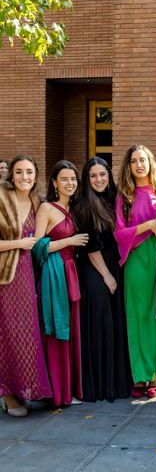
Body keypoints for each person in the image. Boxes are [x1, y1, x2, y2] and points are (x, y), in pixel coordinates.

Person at [74, 158, 132, 402]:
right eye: (93, 176)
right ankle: (98, 386)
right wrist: (106, 276)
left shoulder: (114, 198)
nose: (99, 179)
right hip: (94, 267)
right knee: (101, 323)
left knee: (116, 323)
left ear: (109, 175)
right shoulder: (83, 204)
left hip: (114, 263)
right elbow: (90, 245)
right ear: (87, 180)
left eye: (103, 174)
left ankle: (117, 385)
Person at [33, 160, 89, 407]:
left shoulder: (76, 208)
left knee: (72, 328)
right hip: (54, 273)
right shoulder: (47, 208)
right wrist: (69, 241)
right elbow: (37, 247)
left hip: (72, 272)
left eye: (73, 179)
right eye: (64, 179)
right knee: (57, 329)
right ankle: (58, 393)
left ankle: (72, 389)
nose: (69, 183)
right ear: (54, 182)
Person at [0, 156, 51, 417]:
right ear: (11, 174)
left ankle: (22, 389)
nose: (24, 177)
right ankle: (8, 395)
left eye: (29, 172)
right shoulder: (0, 197)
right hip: (4, 277)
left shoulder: (36, 202)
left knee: (25, 334)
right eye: (19, 172)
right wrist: (17, 244)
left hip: (28, 276)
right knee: (6, 335)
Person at [115, 144, 156, 399]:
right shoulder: (124, 197)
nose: (139, 165)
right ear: (129, 165)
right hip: (135, 259)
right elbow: (119, 232)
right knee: (136, 315)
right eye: (134, 160)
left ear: (150, 162)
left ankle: (154, 373)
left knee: (154, 314)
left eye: (143, 160)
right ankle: (139, 376)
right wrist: (146, 225)